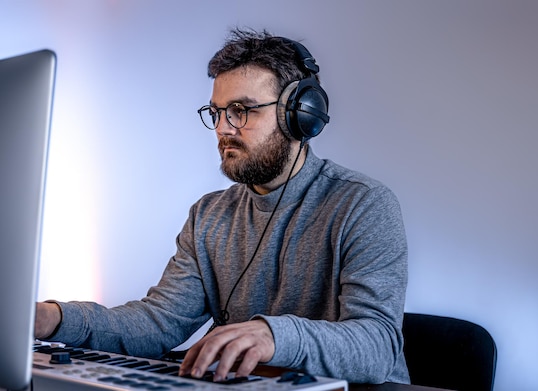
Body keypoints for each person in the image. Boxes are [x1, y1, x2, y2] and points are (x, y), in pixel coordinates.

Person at [35, 28, 409, 384]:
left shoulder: (362, 204)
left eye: (242, 110)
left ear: (299, 115)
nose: (223, 128)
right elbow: (157, 324)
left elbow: (377, 346)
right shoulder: (209, 216)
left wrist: (272, 335)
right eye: (216, 112)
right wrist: (52, 318)